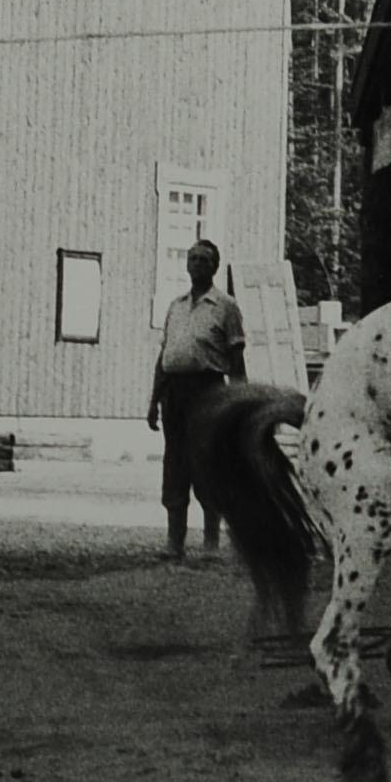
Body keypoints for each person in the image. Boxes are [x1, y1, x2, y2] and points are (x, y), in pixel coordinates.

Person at [146, 239, 246, 565]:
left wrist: (237, 404)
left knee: (207, 464)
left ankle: (211, 545)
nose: (197, 265)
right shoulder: (175, 305)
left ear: (215, 267)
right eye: (193, 259)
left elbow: (236, 359)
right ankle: (174, 543)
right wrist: (154, 400)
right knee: (175, 464)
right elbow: (165, 356)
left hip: (208, 392)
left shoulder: (226, 306)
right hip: (175, 393)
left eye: (204, 260)